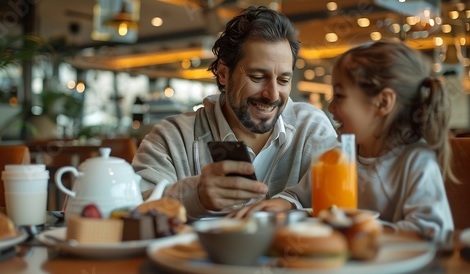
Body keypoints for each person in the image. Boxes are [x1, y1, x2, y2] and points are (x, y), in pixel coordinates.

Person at [235, 40, 455, 242]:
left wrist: (357, 232)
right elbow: (298, 195)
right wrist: (281, 204)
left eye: (339, 96)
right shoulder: (337, 154)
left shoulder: (416, 161)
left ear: (383, 102)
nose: (330, 108)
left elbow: (429, 229)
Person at [131, 6, 337, 221]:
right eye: (258, 77)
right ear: (223, 73)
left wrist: (291, 204)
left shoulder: (311, 128)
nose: (272, 95)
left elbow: (341, 202)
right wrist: (195, 196)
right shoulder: (172, 137)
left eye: (283, 80)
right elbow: (132, 211)